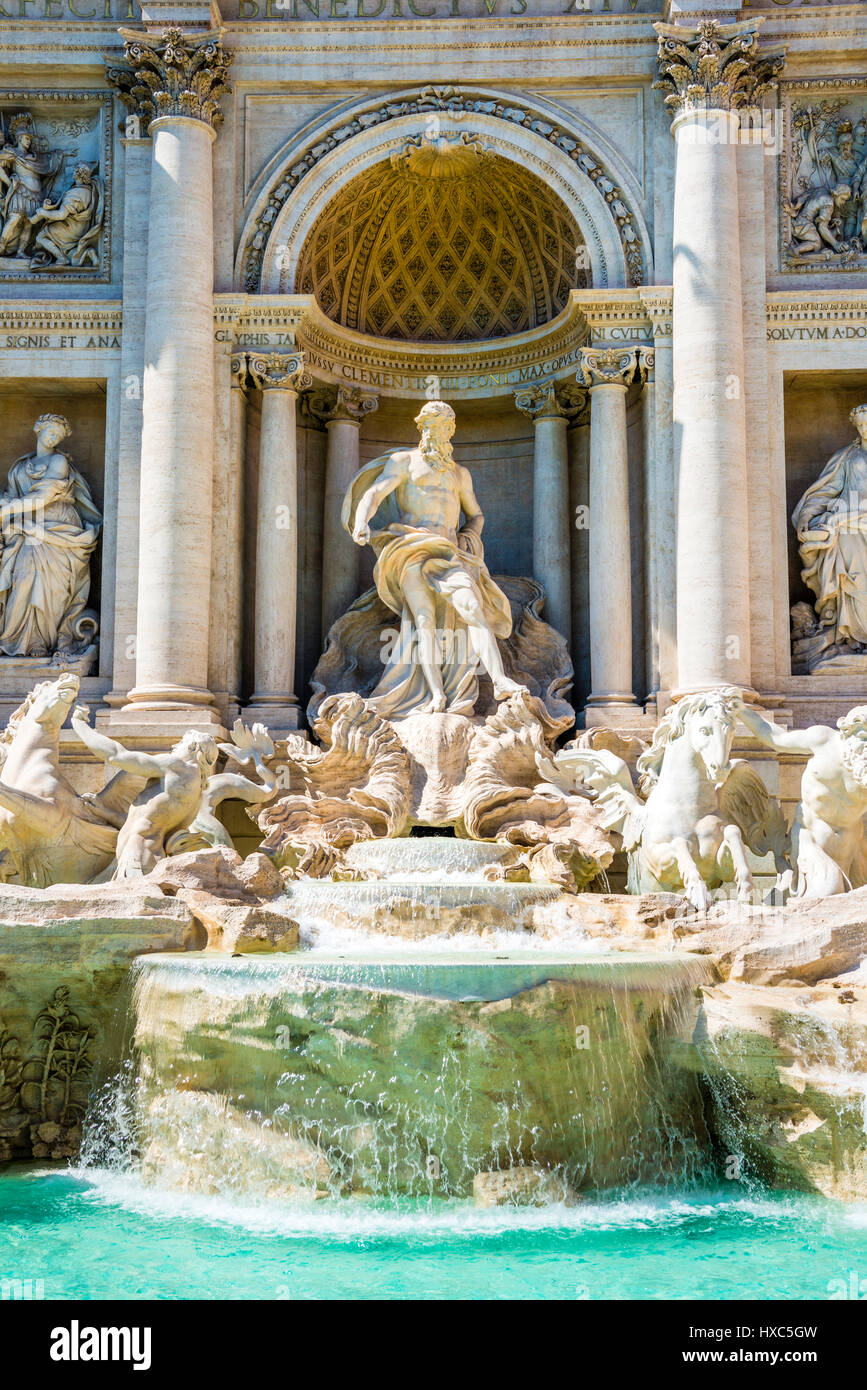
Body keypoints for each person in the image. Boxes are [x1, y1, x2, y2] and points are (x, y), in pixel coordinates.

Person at [342, 400, 525, 717]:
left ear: (451, 432)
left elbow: (476, 515)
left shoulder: (459, 474)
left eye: (443, 427)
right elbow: (375, 493)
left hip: (450, 552)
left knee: (473, 609)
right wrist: (361, 521)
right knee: (423, 623)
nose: (436, 433)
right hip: (412, 546)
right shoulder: (404, 462)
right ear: (422, 428)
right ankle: (437, 696)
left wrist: (470, 536)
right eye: (430, 426)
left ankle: (499, 680)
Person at [0, 414, 101, 659]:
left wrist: (7, 509)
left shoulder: (59, 462)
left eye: (58, 435)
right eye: (50, 432)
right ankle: (17, 641)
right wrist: (6, 507)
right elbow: (11, 495)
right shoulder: (20, 466)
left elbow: (43, 497)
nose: (54, 438)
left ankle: (40, 643)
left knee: (51, 587)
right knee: (23, 579)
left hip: (57, 527)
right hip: (28, 527)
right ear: (39, 430)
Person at [792, 403, 867, 652]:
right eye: (861, 425)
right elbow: (825, 490)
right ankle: (851, 635)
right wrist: (807, 514)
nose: (865, 429)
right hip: (848, 526)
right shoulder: (847, 456)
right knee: (847, 566)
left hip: (856, 517)